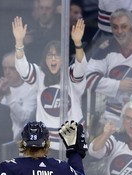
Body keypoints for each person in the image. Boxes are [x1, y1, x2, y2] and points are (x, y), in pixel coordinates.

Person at [12, 16, 87, 150]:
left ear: (64, 59)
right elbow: (22, 67)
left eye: (57, 55)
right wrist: (19, 41)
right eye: (50, 55)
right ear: (44, 59)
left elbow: (81, 66)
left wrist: (78, 43)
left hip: (72, 142)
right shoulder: (40, 74)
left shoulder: (71, 75)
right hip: (46, 144)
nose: (53, 58)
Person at [0, 51, 37, 141]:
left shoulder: (31, 89)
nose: (7, 72)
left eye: (11, 68)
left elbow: (24, 119)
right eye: (5, 68)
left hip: (20, 142)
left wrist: (8, 95)